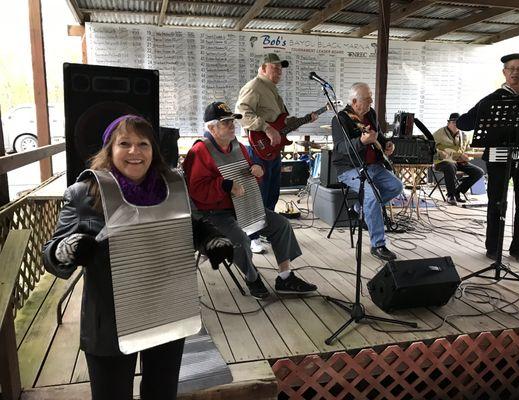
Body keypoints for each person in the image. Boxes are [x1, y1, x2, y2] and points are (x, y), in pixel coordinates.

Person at [43, 115, 232, 399]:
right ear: (110, 150)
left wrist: (211, 239)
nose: (135, 151)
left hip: (167, 310)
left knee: (161, 392)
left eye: (143, 143)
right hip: (110, 321)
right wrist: (66, 248)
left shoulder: (173, 188)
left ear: (153, 150)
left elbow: (191, 226)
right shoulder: (84, 194)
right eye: (125, 144)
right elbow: (51, 254)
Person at [183, 101, 317, 299]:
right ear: (211, 127)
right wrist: (226, 186)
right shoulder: (200, 151)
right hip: (212, 213)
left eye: (232, 121)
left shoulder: (239, 146)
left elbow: (251, 173)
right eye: (225, 122)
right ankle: (252, 277)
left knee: (281, 224)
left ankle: (285, 276)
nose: (232, 125)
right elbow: (196, 190)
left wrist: (257, 170)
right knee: (240, 239)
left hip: (241, 207)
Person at [456, 53, 519, 267]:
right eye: (511, 69)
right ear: (504, 72)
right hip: (499, 157)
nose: (515, 72)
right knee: (497, 202)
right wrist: (482, 114)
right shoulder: (492, 99)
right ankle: (493, 248)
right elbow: (464, 122)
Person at [235, 53, 317, 253]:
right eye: (275, 67)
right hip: (257, 149)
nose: (279, 71)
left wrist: (305, 119)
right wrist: (266, 128)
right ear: (263, 68)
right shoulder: (254, 86)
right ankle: (251, 236)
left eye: (281, 68)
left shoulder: (272, 91)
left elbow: (281, 120)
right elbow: (241, 112)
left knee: (272, 193)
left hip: (272, 151)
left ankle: (265, 231)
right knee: (257, 194)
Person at [331, 82, 403, 262]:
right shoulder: (341, 119)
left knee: (396, 186)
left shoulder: (370, 113)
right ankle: (378, 244)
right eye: (367, 99)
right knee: (372, 195)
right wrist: (361, 142)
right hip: (350, 168)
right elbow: (341, 148)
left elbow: (377, 135)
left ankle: (359, 209)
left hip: (375, 166)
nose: (371, 101)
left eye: (371, 97)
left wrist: (387, 143)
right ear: (355, 101)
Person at [432, 112, 484, 205]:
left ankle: (458, 191)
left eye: (458, 123)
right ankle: (450, 195)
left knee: (479, 172)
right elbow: (430, 147)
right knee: (450, 165)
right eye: (453, 122)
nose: (455, 124)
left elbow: (468, 150)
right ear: (448, 123)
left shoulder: (464, 135)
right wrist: (444, 154)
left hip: (459, 162)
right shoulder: (439, 133)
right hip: (442, 162)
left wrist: (468, 157)